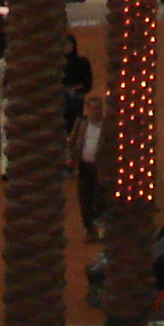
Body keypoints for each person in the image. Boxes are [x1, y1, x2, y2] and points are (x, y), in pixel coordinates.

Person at [74, 91, 111, 240]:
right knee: (84, 201)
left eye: (99, 108)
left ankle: (101, 229)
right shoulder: (81, 123)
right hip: (84, 168)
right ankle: (90, 230)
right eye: (94, 108)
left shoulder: (107, 127)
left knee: (99, 199)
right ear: (87, 109)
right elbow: (73, 141)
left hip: (100, 169)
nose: (97, 112)